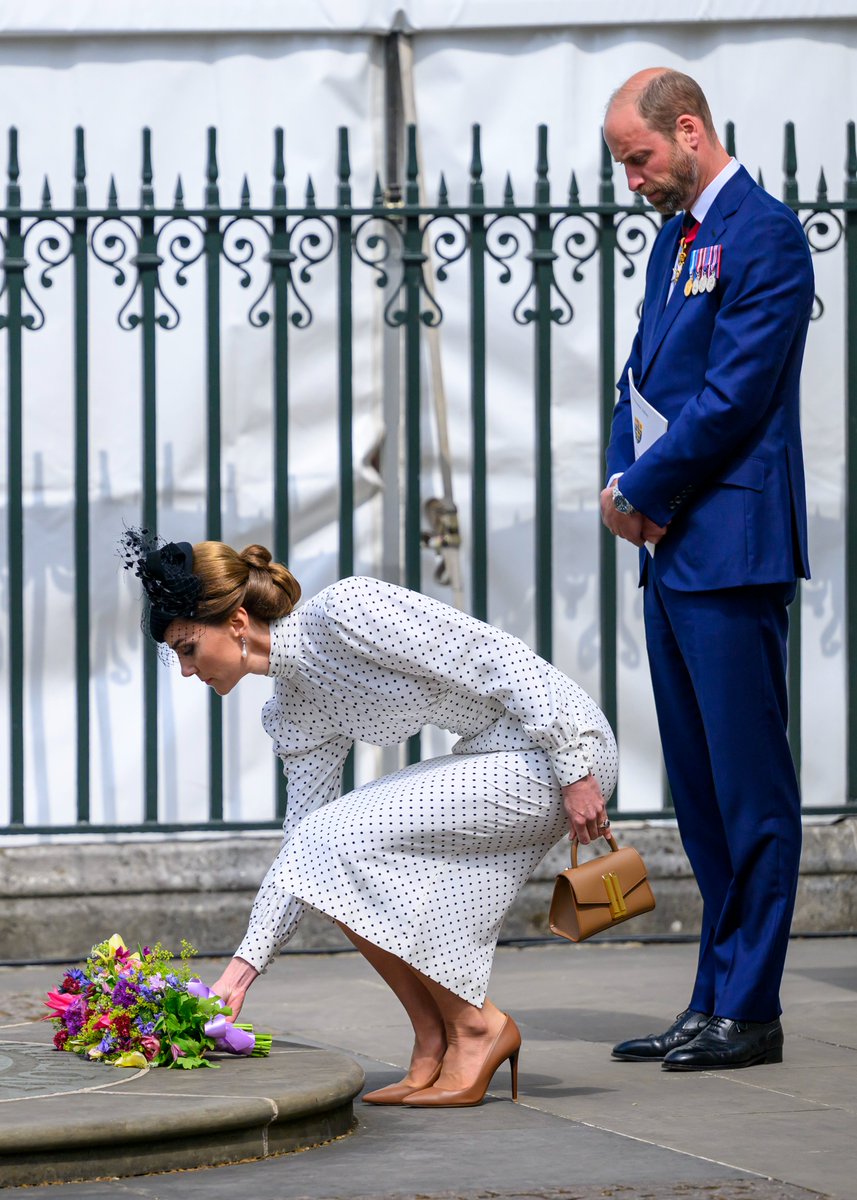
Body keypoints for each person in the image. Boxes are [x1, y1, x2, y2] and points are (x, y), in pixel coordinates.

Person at [119, 531, 617, 1107]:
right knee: (323, 865)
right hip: (493, 760)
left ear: (235, 621)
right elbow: (300, 851)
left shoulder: (347, 611)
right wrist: (239, 974)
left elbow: (498, 656)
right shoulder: (291, 710)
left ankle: (476, 1028)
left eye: (186, 647)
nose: (185, 671)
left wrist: (574, 765)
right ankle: (435, 1035)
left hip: (554, 752)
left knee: (328, 842)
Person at [601, 68, 814, 1070]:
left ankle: (753, 1010)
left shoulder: (764, 234)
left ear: (687, 130)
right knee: (698, 795)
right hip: (671, 550)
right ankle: (711, 998)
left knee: (749, 793)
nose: (630, 180)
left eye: (636, 158)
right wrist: (620, 477)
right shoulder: (674, 236)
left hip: (725, 547)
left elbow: (732, 398)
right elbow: (641, 374)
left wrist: (641, 490)